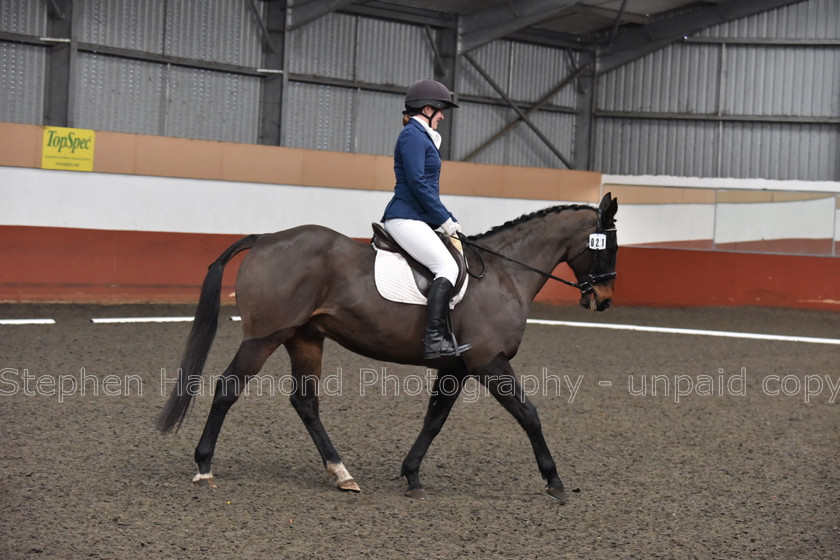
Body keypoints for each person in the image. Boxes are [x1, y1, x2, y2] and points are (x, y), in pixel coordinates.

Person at [382, 79, 471, 360]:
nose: (443, 116)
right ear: (428, 108)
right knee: (446, 266)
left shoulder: (423, 137)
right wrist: (443, 219)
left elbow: (428, 188)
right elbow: (418, 184)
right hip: (404, 217)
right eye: (441, 110)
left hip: (419, 217)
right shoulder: (412, 136)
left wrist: (449, 219)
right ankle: (434, 340)